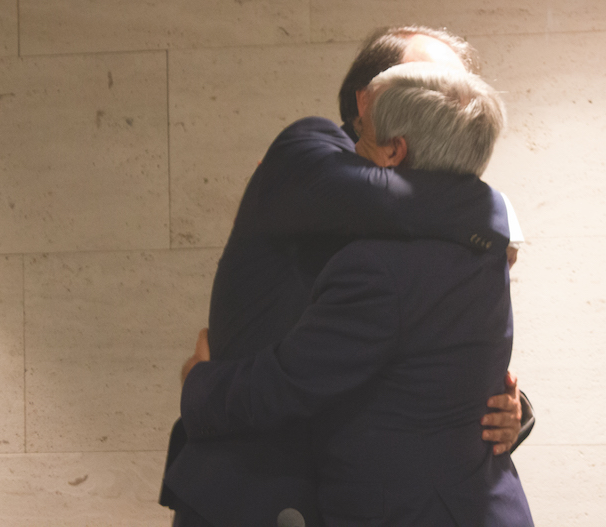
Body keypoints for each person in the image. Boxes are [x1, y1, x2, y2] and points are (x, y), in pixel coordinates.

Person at [161, 26, 530, 527]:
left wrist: (508, 410)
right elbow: (396, 199)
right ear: (367, 96)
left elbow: (437, 348)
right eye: (430, 81)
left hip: (347, 494)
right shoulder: (307, 151)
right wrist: (494, 211)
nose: (450, 98)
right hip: (251, 487)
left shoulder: (443, 233)